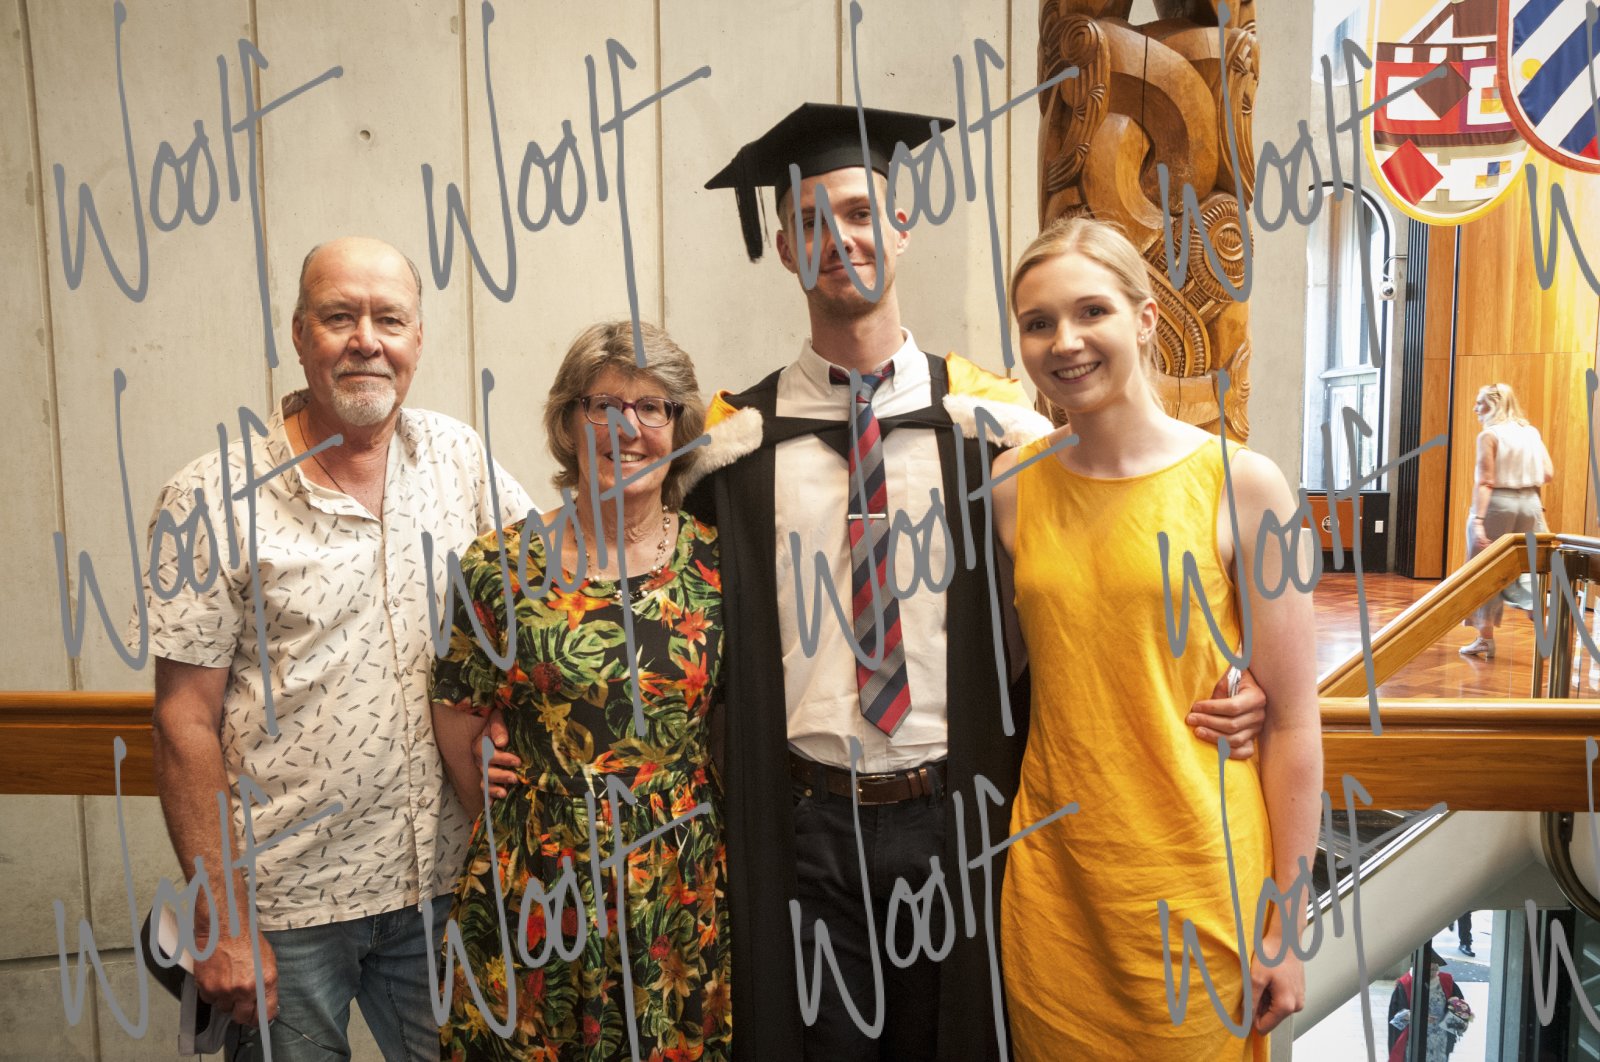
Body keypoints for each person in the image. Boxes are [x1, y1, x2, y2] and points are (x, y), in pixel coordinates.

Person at [692, 103, 1271, 1062]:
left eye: (859, 212)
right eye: (808, 222)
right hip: (802, 826)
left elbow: (1109, 573)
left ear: (901, 227)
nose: (838, 239)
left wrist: (1245, 676)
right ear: (785, 249)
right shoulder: (733, 448)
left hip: (960, 814)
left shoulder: (999, 433)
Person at [135, 236, 533, 1060]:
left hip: (443, 891)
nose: (366, 340)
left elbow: (553, 600)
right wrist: (225, 917)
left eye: (389, 319)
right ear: (298, 333)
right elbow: (183, 721)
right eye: (339, 316)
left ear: (417, 337)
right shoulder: (209, 497)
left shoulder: (460, 461)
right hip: (284, 908)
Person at [991, 216, 1323, 1059]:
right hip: (1057, 889)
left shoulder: (1244, 485)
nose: (1065, 341)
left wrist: (1287, 920)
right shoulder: (1011, 487)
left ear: (1144, 319)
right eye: (1038, 322)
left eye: (1091, 311)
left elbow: (1293, 722)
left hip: (1199, 875)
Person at [430, 320, 732, 1060]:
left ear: (680, 428)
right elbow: (457, 711)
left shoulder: (721, 565)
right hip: (534, 887)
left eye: (652, 407)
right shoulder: (496, 567)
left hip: (675, 887)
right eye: (604, 406)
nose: (627, 428)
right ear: (569, 422)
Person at [1459, 381, 1554, 657]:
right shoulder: (1531, 432)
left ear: (1494, 404)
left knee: (1485, 571)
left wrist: (1478, 521)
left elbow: (1485, 481)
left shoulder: (1489, 436)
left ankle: (1485, 638)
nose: (1476, 408)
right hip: (1530, 503)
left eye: (1480, 403)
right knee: (1529, 566)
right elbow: (1547, 473)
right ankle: (1537, 614)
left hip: (1498, 505)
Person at [1388, 942, 1472, 1061]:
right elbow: (1395, 1017)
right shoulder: (1405, 984)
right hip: (1413, 1040)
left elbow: (1460, 1007)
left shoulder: (1446, 982)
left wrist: (1459, 1010)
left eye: (1435, 969)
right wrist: (1416, 1017)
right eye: (1429, 970)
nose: (1432, 973)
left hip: (1440, 1040)